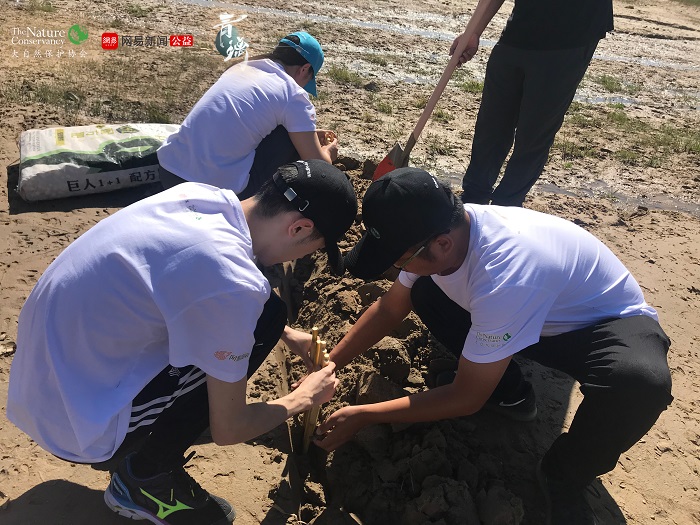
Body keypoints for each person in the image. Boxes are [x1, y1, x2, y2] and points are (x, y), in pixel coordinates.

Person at [7, 159, 358, 525]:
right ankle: (144, 478)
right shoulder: (235, 281)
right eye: (314, 248)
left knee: (267, 317)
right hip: (75, 426)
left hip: (40, 385)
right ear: (299, 227)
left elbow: (187, 283)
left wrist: (286, 335)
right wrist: (304, 398)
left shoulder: (200, 197)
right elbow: (230, 427)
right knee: (265, 318)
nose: (306, 256)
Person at [315, 168, 672, 525]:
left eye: (400, 259)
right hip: (532, 314)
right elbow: (391, 307)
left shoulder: (505, 275)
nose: (397, 267)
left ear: (441, 244)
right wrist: (329, 363)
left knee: (639, 383)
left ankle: (564, 473)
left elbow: (465, 398)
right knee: (423, 290)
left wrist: (365, 415)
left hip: (599, 325)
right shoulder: (440, 226)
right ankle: (509, 394)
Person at [451, 0, 613, 206]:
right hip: (520, 29)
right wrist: (473, 32)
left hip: (572, 35)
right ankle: (473, 200)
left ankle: (506, 206)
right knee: (492, 123)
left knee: (534, 133)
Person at [157, 31, 338, 199]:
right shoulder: (293, 94)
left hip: (170, 171)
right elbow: (319, 168)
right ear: (305, 69)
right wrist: (328, 153)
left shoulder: (242, 68)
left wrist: (307, 133)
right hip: (212, 191)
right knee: (288, 142)